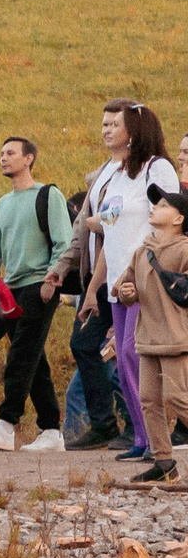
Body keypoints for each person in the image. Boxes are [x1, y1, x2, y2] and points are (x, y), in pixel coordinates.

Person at [57, 103, 178, 460]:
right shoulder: (120, 174)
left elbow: (173, 218)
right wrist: (94, 288)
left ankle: (157, 441)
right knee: (124, 360)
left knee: (131, 353)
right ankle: (142, 439)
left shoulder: (159, 169)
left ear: (135, 130)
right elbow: (110, 234)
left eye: (116, 124)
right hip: (118, 283)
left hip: (147, 277)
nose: (107, 130)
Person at [0, 137, 72, 453]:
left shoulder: (48, 194)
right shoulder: (3, 203)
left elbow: (64, 243)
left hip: (40, 285)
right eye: (1, 153)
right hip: (9, 290)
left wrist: (52, 279)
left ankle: (7, 424)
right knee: (33, 358)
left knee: (21, 355)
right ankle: (52, 431)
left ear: (28, 158)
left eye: (10, 153)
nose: (3, 158)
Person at [116, 190, 188, 481]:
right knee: (148, 400)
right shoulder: (142, 251)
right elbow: (123, 288)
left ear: (179, 218)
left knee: (178, 397)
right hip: (147, 338)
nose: (154, 208)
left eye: (162, 205)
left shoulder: (184, 250)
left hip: (176, 338)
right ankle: (163, 462)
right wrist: (126, 293)